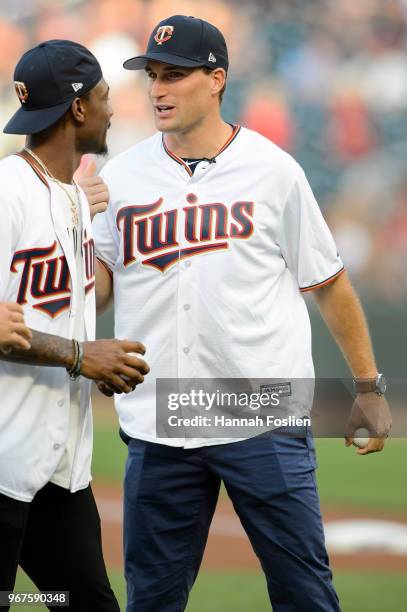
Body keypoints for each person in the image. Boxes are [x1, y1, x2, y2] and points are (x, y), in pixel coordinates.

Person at [91, 15, 392, 612]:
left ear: (216, 80)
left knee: (305, 594)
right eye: (152, 75)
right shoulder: (120, 176)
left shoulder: (274, 170)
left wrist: (368, 385)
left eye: (174, 74)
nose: (158, 88)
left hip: (260, 406)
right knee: (151, 600)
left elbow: (329, 284)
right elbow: (98, 288)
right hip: (162, 416)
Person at [0, 40, 149, 612]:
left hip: (59, 472)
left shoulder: (76, 200)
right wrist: (84, 356)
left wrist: (98, 357)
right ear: (78, 109)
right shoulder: (9, 193)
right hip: (6, 461)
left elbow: (76, 305)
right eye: (105, 97)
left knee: (83, 603)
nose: (112, 110)